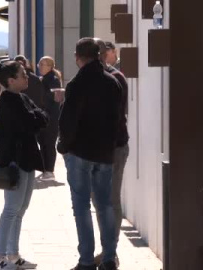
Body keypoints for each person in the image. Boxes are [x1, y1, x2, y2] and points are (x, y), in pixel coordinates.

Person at [57, 38, 122, 270]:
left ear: (78, 56)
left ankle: (86, 260)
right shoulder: (112, 82)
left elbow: (68, 120)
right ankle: (108, 258)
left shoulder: (77, 83)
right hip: (104, 152)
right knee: (105, 205)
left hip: (80, 152)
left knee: (82, 207)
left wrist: (63, 147)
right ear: (99, 55)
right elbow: (118, 119)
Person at [0, 61, 48, 270]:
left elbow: (43, 117)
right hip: (14, 163)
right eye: (23, 75)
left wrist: (36, 117)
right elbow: (32, 122)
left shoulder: (21, 97)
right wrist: (36, 117)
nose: (27, 77)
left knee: (21, 209)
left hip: (27, 160)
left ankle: (14, 254)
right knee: (11, 210)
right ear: (11, 81)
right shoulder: (9, 100)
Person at [92, 39, 130, 267]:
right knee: (99, 201)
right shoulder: (102, 77)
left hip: (113, 147)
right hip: (99, 148)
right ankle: (107, 250)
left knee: (110, 200)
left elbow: (112, 115)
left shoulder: (114, 78)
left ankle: (110, 252)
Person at [36, 56, 63, 181]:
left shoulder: (53, 79)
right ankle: (45, 169)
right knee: (43, 144)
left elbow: (56, 98)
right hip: (43, 117)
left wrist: (41, 91)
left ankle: (50, 171)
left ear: (50, 66)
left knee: (49, 144)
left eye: (43, 64)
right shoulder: (43, 79)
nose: (40, 67)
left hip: (51, 118)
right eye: (40, 64)